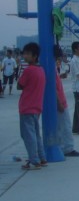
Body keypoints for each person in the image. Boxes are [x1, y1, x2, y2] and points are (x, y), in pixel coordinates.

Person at [17, 42, 47, 170]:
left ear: (35, 56)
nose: (25, 56)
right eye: (24, 53)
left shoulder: (28, 70)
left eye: (28, 54)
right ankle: (42, 158)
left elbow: (20, 85)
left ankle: (34, 160)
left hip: (27, 107)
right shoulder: (41, 70)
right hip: (36, 107)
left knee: (28, 135)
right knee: (35, 134)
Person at [54, 46, 79, 157]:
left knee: (62, 126)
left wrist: (60, 76)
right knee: (65, 126)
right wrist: (59, 103)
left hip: (60, 101)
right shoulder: (51, 68)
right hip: (60, 102)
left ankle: (63, 147)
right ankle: (67, 148)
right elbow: (52, 88)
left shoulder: (53, 68)